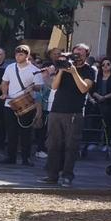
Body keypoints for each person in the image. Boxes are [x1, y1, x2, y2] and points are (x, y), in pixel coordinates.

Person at [40, 44, 94, 187]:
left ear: (86, 55)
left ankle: (67, 176)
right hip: (56, 110)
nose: (77, 56)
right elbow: (54, 86)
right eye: (75, 54)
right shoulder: (63, 67)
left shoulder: (89, 70)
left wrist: (74, 72)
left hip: (74, 112)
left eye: (80, 54)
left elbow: (84, 89)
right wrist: (62, 70)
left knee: (71, 146)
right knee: (52, 144)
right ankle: (52, 175)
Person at [0, 45, 43, 167]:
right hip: (10, 103)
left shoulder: (34, 69)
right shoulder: (10, 67)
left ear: (27, 56)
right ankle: (11, 156)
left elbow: (39, 86)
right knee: (11, 131)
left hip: (26, 103)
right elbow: (5, 82)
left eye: (21, 54)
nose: (18, 56)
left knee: (26, 132)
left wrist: (32, 87)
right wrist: (4, 93)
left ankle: (26, 158)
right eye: (17, 54)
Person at [89, 56, 111, 146]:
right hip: (98, 104)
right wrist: (98, 96)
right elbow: (92, 90)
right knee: (95, 123)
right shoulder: (97, 77)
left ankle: (107, 143)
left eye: (108, 64)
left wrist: (105, 97)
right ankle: (95, 142)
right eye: (103, 65)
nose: (105, 66)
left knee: (109, 124)